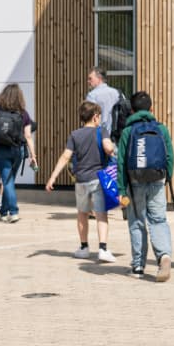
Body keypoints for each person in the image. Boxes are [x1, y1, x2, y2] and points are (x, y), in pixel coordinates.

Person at [112, 90, 174, 282]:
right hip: (156, 179)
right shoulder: (161, 129)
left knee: (137, 221)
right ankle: (164, 256)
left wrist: (121, 190)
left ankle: (138, 265)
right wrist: (166, 178)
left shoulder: (128, 131)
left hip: (134, 181)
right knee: (158, 219)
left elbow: (121, 162)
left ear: (131, 110)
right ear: (151, 108)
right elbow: (169, 156)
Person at [42, 101, 116, 264]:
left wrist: (53, 177)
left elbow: (65, 157)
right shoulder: (101, 130)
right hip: (98, 179)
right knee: (101, 214)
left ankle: (83, 248)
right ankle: (103, 249)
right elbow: (108, 148)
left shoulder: (75, 134)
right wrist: (113, 149)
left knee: (82, 213)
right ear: (95, 116)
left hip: (81, 180)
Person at [0, 84, 34, 223]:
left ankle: (13, 211)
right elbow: (28, 136)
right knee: (9, 181)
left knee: (7, 181)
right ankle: (4, 212)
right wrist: (33, 156)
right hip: (18, 150)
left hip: (2, 150)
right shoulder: (23, 113)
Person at [86, 68, 124, 140]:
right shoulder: (117, 93)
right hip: (116, 137)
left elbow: (90, 119)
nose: (88, 81)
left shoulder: (92, 95)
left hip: (98, 137)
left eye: (90, 78)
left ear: (99, 78)